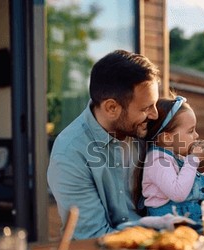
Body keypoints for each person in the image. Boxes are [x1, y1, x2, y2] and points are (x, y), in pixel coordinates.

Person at [47, 50, 160, 239]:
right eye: (146, 108)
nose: (155, 114)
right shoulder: (70, 153)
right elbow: (94, 236)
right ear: (111, 108)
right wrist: (160, 238)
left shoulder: (143, 128)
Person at [138, 96, 204, 222]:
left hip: (187, 221)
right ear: (168, 138)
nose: (196, 135)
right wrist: (193, 159)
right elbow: (178, 193)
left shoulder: (174, 155)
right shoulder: (158, 161)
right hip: (170, 228)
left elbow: (185, 186)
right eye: (191, 131)